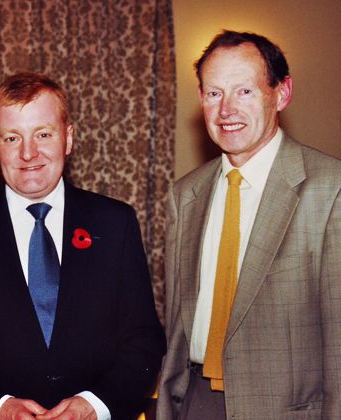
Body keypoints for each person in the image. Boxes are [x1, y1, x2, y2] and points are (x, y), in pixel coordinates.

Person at [0, 72, 165, 420]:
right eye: (12, 138)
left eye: (43, 134)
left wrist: (95, 405)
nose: (28, 153)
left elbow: (144, 340)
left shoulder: (115, 224)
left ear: (68, 138)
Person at [157, 30, 341, 419]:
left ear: (282, 93)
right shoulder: (184, 196)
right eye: (214, 93)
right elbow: (177, 329)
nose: (226, 110)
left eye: (244, 91)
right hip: (196, 403)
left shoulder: (330, 190)